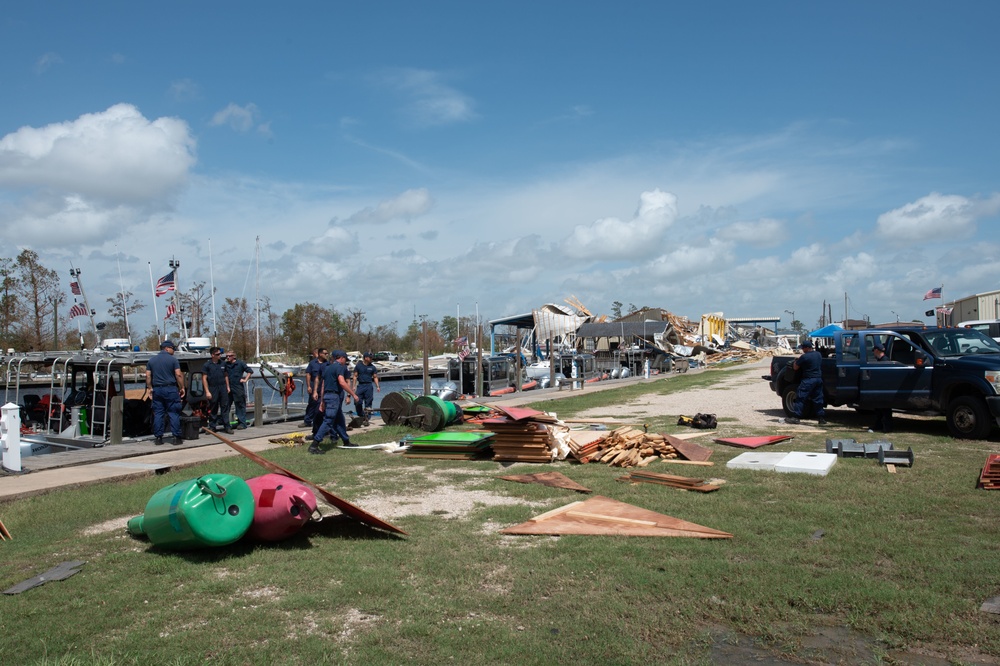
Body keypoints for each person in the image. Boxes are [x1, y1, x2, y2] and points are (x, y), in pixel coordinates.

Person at [311, 349, 360, 454]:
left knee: (339, 420)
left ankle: (346, 441)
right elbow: (342, 382)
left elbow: (323, 385)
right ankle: (314, 445)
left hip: (328, 396)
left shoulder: (327, 368)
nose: (345, 361)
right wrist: (353, 394)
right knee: (328, 421)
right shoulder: (339, 367)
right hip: (334, 397)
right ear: (341, 358)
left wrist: (322, 401)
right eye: (345, 359)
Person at [145, 339, 186, 445]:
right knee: (174, 412)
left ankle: (158, 438)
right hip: (170, 389)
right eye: (173, 348)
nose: (174, 351)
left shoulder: (151, 360)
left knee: (158, 413)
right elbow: (178, 374)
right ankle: (176, 437)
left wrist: (150, 388)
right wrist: (182, 387)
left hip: (157, 389)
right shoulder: (173, 360)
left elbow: (148, 376)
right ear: (167, 348)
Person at [785, 340, 827, 426]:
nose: (803, 350)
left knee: (800, 397)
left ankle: (796, 417)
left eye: (803, 348)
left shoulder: (804, 357)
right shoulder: (818, 354)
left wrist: (796, 361)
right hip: (818, 379)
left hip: (808, 380)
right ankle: (821, 418)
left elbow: (795, 367)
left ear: (807, 348)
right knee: (818, 398)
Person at [202, 346, 232, 434]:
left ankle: (227, 426)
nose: (219, 355)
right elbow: (204, 378)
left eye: (220, 354)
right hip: (213, 387)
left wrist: (228, 387)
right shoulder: (207, 365)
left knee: (225, 407)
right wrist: (207, 391)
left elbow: (226, 375)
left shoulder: (223, 364)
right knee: (213, 407)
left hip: (222, 387)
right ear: (212, 355)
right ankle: (212, 426)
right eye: (217, 354)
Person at [224, 350, 253, 429]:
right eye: (227, 356)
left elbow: (250, 371)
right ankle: (225, 423)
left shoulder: (240, 363)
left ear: (234, 356)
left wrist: (245, 380)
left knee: (240, 405)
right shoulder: (225, 364)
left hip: (238, 387)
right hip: (228, 387)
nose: (228, 357)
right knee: (226, 405)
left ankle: (242, 423)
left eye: (229, 356)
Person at [870, 343, 894, 433]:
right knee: (879, 409)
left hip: (885, 389)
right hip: (881, 388)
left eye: (874, 351)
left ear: (876, 351)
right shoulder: (881, 360)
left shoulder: (885, 361)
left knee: (885, 410)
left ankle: (887, 428)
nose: (873, 353)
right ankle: (878, 425)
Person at [352, 351, 381, 425]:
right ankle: (361, 415)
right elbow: (355, 376)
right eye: (370, 357)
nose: (371, 359)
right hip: (361, 385)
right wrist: (354, 386)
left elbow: (375, 377)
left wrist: (377, 386)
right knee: (357, 402)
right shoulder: (359, 366)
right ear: (366, 358)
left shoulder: (372, 367)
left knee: (368, 403)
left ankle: (367, 419)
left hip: (369, 386)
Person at [303, 348, 326, 427]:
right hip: (313, 385)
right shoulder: (312, 363)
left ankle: (321, 421)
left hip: (323, 386)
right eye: (325, 353)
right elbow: (308, 374)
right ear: (319, 354)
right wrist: (308, 386)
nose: (327, 355)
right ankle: (307, 420)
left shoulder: (327, 363)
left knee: (323, 403)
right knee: (312, 404)